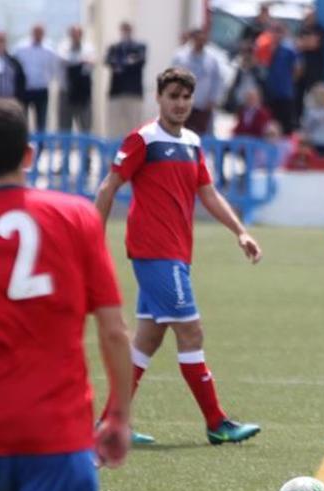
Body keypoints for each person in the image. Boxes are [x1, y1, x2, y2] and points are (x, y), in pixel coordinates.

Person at [94, 67, 263, 445]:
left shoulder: (191, 142)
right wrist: (92, 240)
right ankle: (217, 422)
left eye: (187, 97)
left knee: (148, 341)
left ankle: (109, 424)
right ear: (159, 98)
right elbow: (109, 187)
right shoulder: (143, 139)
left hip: (176, 255)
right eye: (174, 96)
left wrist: (241, 232)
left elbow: (208, 193)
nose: (181, 103)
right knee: (191, 332)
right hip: (155, 254)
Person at [0, 99, 132, 491]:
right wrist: (120, 416)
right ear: (29, 154)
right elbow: (113, 331)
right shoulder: (76, 217)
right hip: (56, 434)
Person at [172, 28, 224, 135]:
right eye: (198, 39)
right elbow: (173, 77)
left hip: (203, 106)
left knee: (201, 136)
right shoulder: (181, 56)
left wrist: (213, 99)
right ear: (193, 39)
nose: (200, 42)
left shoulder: (212, 59)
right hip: (183, 104)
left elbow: (217, 80)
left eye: (203, 39)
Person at [105, 22, 147, 137]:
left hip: (133, 92)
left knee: (133, 124)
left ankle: (134, 152)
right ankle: (114, 151)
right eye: (123, 29)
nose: (125, 32)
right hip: (116, 92)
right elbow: (108, 61)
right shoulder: (114, 47)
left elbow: (140, 61)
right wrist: (127, 62)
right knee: (114, 125)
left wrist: (121, 64)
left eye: (127, 29)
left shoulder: (139, 47)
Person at [13, 24, 57, 132]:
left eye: (40, 33)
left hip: (41, 89)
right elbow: (14, 65)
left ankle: (40, 146)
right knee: (22, 119)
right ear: (32, 33)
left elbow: (53, 69)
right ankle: (23, 145)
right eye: (36, 32)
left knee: (41, 120)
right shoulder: (21, 48)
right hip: (25, 89)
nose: (38, 35)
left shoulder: (49, 50)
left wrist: (46, 80)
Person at [57, 25, 95, 133]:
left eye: (78, 34)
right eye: (73, 34)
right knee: (64, 126)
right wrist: (81, 61)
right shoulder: (63, 47)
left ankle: (86, 149)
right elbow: (63, 59)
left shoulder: (88, 48)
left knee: (85, 125)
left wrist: (75, 62)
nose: (75, 36)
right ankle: (65, 149)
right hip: (66, 91)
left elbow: (91, 64)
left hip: (83, 93)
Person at [0, 32, 27, 105]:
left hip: (10, 103)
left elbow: (21, 81)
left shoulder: (14, 62)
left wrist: (19, 100)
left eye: (1, 40)